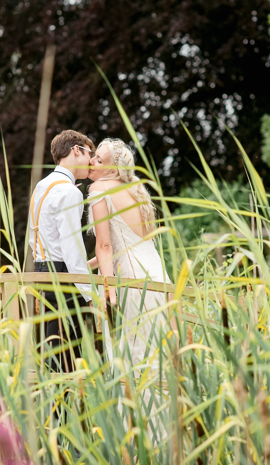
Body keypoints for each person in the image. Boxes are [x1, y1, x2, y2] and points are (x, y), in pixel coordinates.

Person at [86, 138, 170, 368]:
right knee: (157, 357)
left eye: (98, 160)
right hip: (159, 279)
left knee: (130, 359)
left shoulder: (98, 188)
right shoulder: (136, 191)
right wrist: (83, 267)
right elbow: (124, 246)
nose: (91, 161)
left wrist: (108, 289)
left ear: (112, 169)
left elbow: (105, 246)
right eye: (93, 155)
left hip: (132, 283)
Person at [28, 130, 95, 373]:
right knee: (69, 352)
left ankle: (54, 408)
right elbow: (72, 247)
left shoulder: (42, 185)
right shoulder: (70, 192)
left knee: (52, 346)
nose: (92, 160)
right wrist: (89, 292)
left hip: (41, 272)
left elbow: (31, 238)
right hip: (64, 275)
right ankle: (69, 409)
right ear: (76, 150)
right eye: (90, 153)